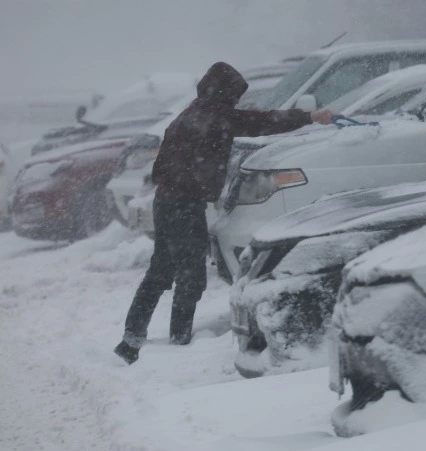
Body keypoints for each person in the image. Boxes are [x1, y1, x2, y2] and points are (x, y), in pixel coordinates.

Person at [114, 62, 333, 364]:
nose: (236, 102)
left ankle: (130, 340)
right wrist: (307, 117)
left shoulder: (189, 114)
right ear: (224, 92)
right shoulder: (214, 115)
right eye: (234, 95)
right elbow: (261, 122)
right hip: (183, 205)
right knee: (190, 277)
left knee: (160, 272)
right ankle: (179, 343)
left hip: (166, 202)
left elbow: (160, 168)